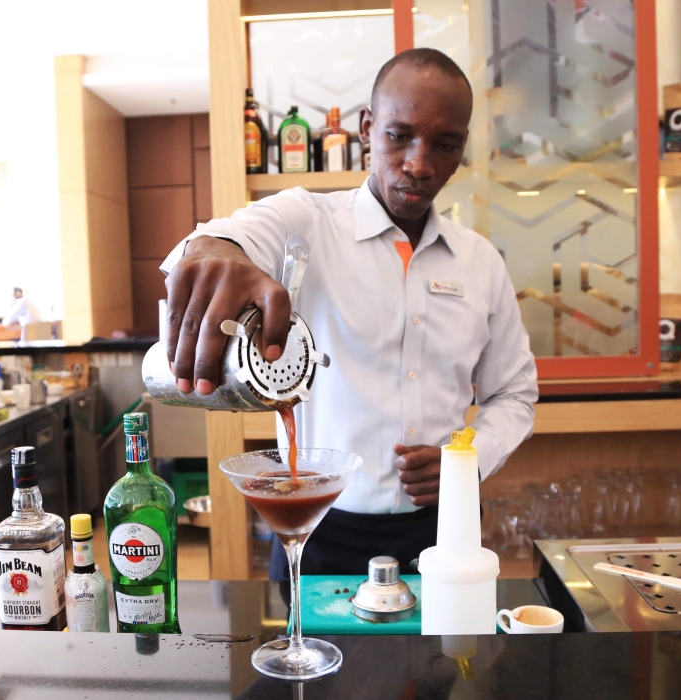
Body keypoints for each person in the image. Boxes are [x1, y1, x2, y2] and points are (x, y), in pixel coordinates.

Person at [160, 49, 538, 579]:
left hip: (445, 530)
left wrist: (468, 462)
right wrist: (212, 250)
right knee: (311, 660)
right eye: (399, 135)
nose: (420, 164)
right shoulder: (305, 220)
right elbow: (220, 239)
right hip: (317, 529)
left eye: (445, 144)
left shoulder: (480, 262)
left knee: (451, 661)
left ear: (461, 148)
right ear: (367, 128)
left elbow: (514, 394)